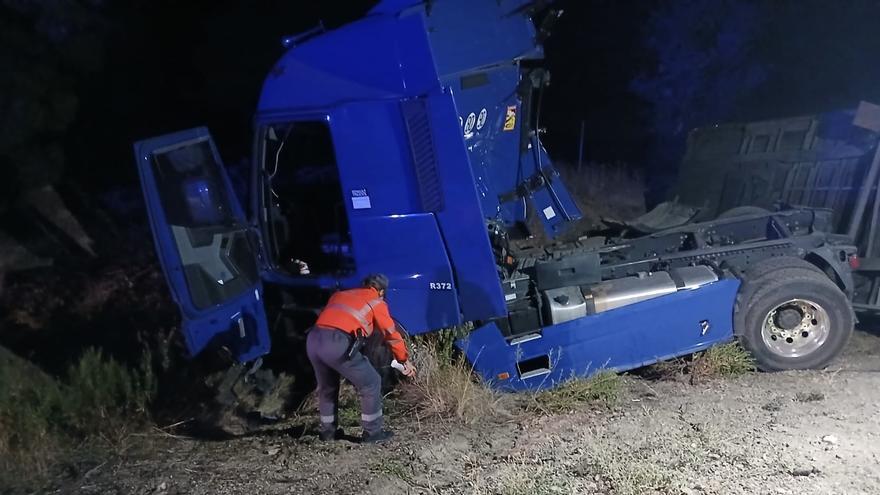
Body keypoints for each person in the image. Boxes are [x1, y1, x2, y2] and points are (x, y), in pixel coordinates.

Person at [306, 273, 416, 443]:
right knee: (371, 382)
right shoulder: (376, 302)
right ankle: (372, 433)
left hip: (313, 340)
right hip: (336, 342)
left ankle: (328, 432)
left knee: (327, 387)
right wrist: (403, 360)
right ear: (380, 291)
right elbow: (391, 334)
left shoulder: (340, 294)